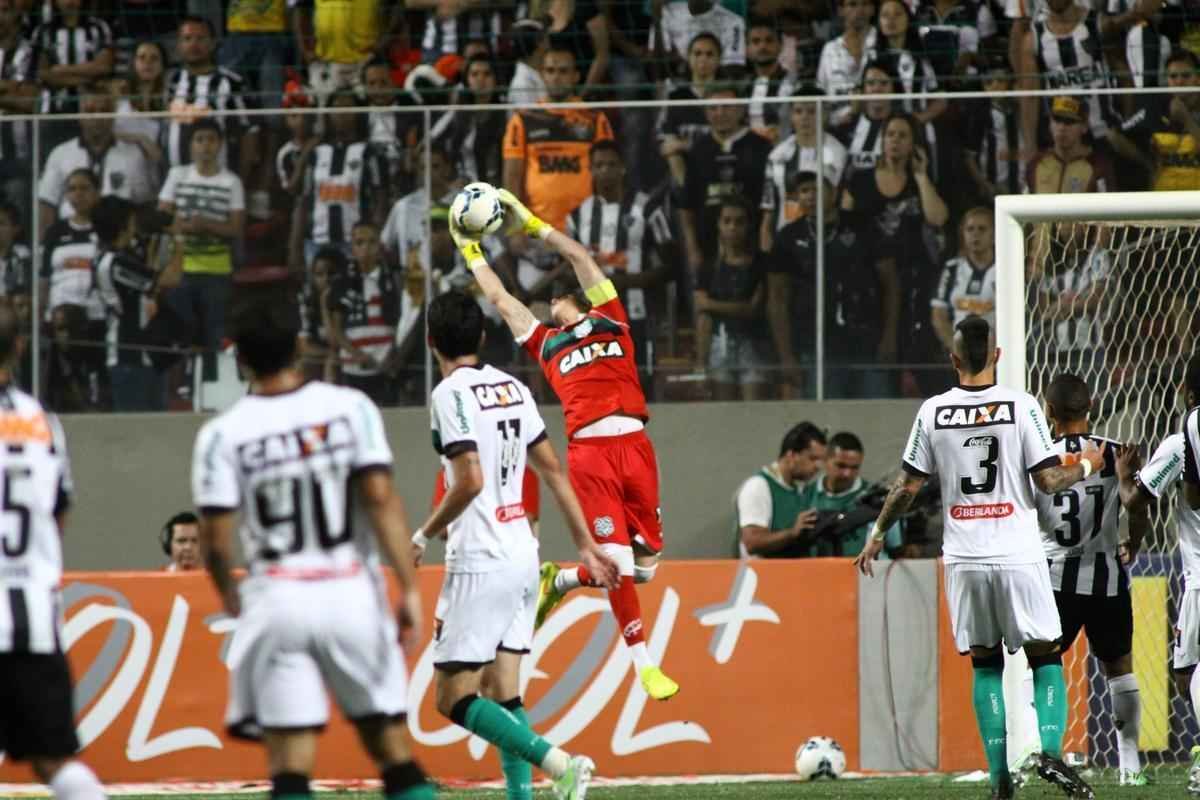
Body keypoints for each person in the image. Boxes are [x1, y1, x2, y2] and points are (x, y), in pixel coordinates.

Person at [191, 280, 437, 800]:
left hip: (277, 599)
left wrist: (234, 599)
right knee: (391, 747)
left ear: (240, 357)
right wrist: (409, 587)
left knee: (290, 762)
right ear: (300, 344)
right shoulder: (349, 408)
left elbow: (214, 544)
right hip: (349, 592)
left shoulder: (222, 435)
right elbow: (379, 498)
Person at [855, 315, 1102, 800]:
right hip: (1018, 553)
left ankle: (998, 779)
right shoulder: (1021, 404)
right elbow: (1050, 481)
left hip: (964, 558)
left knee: (985, 664)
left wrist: (878, 531)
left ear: (953, 359)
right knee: (1045, 655)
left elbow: (907, 486)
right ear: (997, 356)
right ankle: (1050, 752)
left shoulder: (933, 411)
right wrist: (1089, 461)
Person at [450, 189, 681, 701]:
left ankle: (560, 580)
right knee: (621, 566)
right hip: (591, 456)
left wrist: (533, 223)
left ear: (577, 299)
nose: (552, 299)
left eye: (558, 295)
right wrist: (470, 251)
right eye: (549, 298)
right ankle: (644, 664)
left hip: (637, 449)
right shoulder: (545, 342)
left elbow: (579, 256)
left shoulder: (612, 318)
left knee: (644, 570)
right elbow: (501, 300)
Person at [410, 289, 619, 800]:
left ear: (431, 340)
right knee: (503, 689)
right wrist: (586, 544)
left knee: (451, 697)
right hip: (524, 553)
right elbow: (552, 470)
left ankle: (560, 763)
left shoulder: (448, 395)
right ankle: (521, 797)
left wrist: (422, 534)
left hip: (481, 559)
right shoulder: (513, 388)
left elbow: (469, 481)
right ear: (481, 336)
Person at [0, 304, 107, 800]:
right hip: (33, 617)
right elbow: (57, 513)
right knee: (56, 761)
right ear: (19, 347)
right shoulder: (43, 424)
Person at [1034, 373, 1148, 786]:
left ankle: (1047, 752)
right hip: (1107, 578)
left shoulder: (1038, 457)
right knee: (1119, 667)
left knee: (1046, 665)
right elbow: (1138, 508)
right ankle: (1130, 765)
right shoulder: (1114, 451)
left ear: (1048, 411)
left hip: (1053, 579)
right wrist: (1132, 544)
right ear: (1091, 406)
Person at [1116, 354, 1200, 794]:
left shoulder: (1182, 440)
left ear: (1187, 393)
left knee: (1188, 671)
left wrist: (1124, 476)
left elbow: (1137, 499)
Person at [767, 167, 896, 400]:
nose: (809, 195)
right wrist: (786, 355)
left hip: (867, 343)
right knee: (827, 421)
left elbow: (891, 284)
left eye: (817, 188)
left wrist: (889, 337)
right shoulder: (787, 237)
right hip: (815, 346)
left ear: (834, 192)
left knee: (876, 417)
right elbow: (777, 297)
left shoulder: (864, 227)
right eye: (804, 190)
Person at [565, 141, 674, 385]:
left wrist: (627, 282)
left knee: (639, 380)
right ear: (590, 170)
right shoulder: (576, 217)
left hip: (636, 310)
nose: (605, 170)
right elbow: (568, 272)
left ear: (622, 168)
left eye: (611, 164)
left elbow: (670, 264)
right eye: (599, 165)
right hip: (592, 316)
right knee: (598, 384)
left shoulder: (647, 208)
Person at [157, 117, 246, 381]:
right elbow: (161, 218)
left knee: (215, 332)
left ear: (219, 144)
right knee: (182, 330)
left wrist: (204, 224)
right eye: (200, 140)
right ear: (191, 145)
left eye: (211, 140)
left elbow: (236, 228)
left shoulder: (231, 182)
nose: (205, 146)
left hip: (217, 269)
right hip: (180, 267)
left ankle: (213, 382)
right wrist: (182, 226)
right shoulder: (177, 175)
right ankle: (185, 381)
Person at [502, 45, 614, 234]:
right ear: (542, 75)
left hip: (586, 228)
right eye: (550, 71)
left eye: (563, 71)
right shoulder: (523, 120)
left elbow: (608, 174)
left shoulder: (595, 118)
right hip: (538, 229)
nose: (556, 77)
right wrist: (515, 228)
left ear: (575, 76)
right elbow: (512, 179)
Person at [92, 196, 184, 412]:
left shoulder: (110, 257)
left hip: (144, 353)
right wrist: (179, 238)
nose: (136, 227)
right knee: (136, 430)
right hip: (130, 355)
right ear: (123, 226)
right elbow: (171, 279)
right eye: (132, 222)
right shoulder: (116, 263)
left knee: (154, 431)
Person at [678, 84, 772, 276]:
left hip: (751, 246)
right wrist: (692, 248)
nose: (720, 113)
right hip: (708, 247)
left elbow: (769, 203)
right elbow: (687, 207)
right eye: (713, 108)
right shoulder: (699, 150)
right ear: (705, 112)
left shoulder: (761, 147)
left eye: (727, 107)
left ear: (740, 109)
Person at [694, 197, 771, 401]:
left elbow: (754, 308)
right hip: (720, 344)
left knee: (755, 415)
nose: (733, 227)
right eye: (727, 221)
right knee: (724, 416)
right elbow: (703, 314)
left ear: (748, 225)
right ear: (718, 224)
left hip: (754, 345)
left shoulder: (761, 264)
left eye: (739, 222)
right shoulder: (708, 267)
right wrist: (701, 363)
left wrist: (713, 304)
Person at [328, 220, 399, 406]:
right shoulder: (342, 283)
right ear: (352, 248)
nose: (366, 248)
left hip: (386, 366)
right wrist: (357, 354)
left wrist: (392, 355)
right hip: (353, 368)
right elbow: (337, 328)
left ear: (380, 246)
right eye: (359, 243)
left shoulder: (392, 281)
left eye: (372, 242)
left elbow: (401, 320)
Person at [800, 431, 903, 557]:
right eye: (841, 466)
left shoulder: (877, 500)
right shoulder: (804, 495)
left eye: (854, 467)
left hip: (867, 574)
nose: (847, 474)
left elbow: (897, 549)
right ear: (825, 460)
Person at [734, 421, 826, 558]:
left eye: (821, 460)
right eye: (812, 458)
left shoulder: (801, 488)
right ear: (791, 455)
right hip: (764, 576)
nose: (818, 466)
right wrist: (792, 533)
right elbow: (751, 543)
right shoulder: (758, 487)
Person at [931, 207, 995, 355]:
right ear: (963, 234)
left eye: (982, 229)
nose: (975, 234)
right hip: (958, 352)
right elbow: (938, 314)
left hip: (995, 353)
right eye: (970, 229)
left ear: (993, 235)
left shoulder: (1005, 269)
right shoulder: (952, 268)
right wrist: (955, 349)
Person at [1025, 96, 1116, 195]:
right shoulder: (1035, 164)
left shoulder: (1099, 168)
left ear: (1084, 126)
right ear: (1049, 123)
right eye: (1057, 120)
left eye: (1070, 121)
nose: (1061, 128)